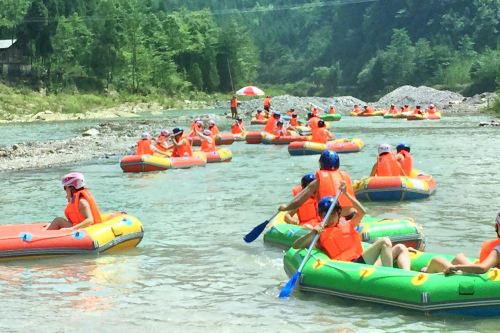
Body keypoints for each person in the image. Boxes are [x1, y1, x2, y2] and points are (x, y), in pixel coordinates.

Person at [314, 191, 410, 270]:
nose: (331, 217)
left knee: (400, 247)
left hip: (362, 263)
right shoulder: (319, 232)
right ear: (321, 216)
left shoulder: (348, 225)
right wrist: (314, 233)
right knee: (384, 241)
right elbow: (301, 245)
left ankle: (406, 277)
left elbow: (362, 212)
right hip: (350, 268)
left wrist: (346, 193)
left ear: (338, 213)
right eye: (327, 214)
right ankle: (390, 276)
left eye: (333, 214)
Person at [423, 212, 500, 274]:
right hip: (489, 275)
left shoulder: (498, 250)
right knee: (459, 258)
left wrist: (457, 267)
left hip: (480, 279)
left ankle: (425, 275)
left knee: (437, 260)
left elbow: (483, 268)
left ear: (496, 226)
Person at [278, 150, 355, 211]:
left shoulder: (318, 181)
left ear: (321, 164)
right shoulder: (345, 177)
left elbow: (299, 200)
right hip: (350, 215)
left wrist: (285, 207)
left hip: (330, 217)